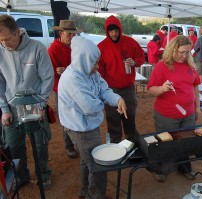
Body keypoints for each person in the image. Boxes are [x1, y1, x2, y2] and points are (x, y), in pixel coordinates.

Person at [58, 36, 127, 199]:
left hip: (89, 126)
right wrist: (103, 101)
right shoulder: (72, 79)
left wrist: (117, 98)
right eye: (94, 63)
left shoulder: (90, 72)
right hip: (80, 129)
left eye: (97, 62)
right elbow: (90, 107)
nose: (97, 67)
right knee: (97, 166)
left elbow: (104, 89)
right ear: (83, 60)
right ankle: (95, 196)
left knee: (86, 160)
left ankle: (85, 192)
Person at [0, 15, 53, 189]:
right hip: (12, 106)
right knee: (14, 145)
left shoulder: (37, 48)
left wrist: (42, 104)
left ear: (17, 32)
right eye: (1, 40)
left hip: (35, 106)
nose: (5, 43)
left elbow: (47, 78)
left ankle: (43, 174)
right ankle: (21, 175)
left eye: (8, 39)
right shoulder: (0, 51)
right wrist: (4, 108)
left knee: (40, 143)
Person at [147, 35, 201, 182]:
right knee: (166, 143)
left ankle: (184, 167)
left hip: (188, 113)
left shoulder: (189, 66)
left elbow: (195, 85)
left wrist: (197, 107)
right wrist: (163, 89)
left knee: (185, 142)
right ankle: (160, 168)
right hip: (167, 115)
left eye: (187, 52)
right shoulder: (162, 66)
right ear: (172, 49)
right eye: (181, 52)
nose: (184, 56)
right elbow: (151, 89)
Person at [97, 15, 145, 143]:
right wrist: (103, 87)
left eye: (116, 30)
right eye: (111, 31)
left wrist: (134, 62)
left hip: (128, 89)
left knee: (129, 117)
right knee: (113, 120)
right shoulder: (102, 47)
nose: (114, 34)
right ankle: (115, 145)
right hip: (110, 90)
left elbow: (141, 57)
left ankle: (132, 143)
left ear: (120, 29)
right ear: (107, 31)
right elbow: (99, 69)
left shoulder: (130, 42)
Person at [48, 20, 80, 158]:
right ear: (61, 33)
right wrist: (56, 70)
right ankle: (69, 146)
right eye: (69, 34)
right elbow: (48, 72)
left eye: (73, 34)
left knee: (77, 114)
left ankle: (76, 142)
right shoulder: (53, 49)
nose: (72, 37)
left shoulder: (76, 46)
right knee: (66, 117)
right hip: (61, 89)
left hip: (76, 87)